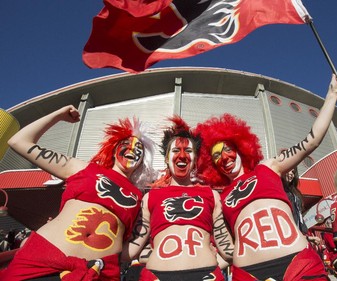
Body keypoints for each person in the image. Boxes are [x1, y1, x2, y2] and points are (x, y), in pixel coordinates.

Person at [195, 74, 337, 281]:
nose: (224, 158)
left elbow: (310, 142)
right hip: (248, 274)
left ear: (240, 147)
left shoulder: (268, 167)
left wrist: (332, 96)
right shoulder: (220, 198)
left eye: (228, 150)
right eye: (216, 156)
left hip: (298, 265)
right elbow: (225, 249)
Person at [1, 105, 156, 281]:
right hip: (42, 259)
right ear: (113, 149)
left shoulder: (139, 197)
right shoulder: (83, 168)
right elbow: (19, 142)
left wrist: (109, 259)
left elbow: (132, 248)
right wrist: (58, 115)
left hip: (98, 271)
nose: (132, 150)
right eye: (126, 144)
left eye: (139, 150)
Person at [122, 115, 234, 281]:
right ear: (167, 159)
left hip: (206, 275)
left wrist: (213, 267)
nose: (182, 156)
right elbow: (134, 247)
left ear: (195, 160)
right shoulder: (151, 197)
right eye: (175, 151)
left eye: (188, 151)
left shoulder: (211, 195)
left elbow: (228, 250)